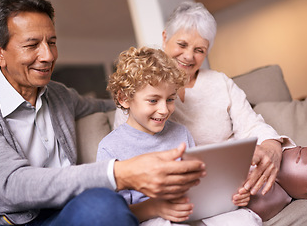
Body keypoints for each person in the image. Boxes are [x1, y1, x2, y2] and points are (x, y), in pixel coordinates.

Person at [0, 0, 204, 226]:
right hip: (2, 220)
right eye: (32, 44)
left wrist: (153, 101)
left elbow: (115, 104)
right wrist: (120, 172)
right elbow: (14, 184)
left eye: (52, 42)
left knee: (104, 207)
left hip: (64, 212)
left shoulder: (59, 95)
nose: (48, 55)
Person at [113, 1, 296, 223]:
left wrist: (271, 145)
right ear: (164, 38)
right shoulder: (136, 99)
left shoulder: (219, 83)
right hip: (179, 200)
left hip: (219, 186)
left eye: (199, 50)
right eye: (182, 44)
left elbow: (252, 125)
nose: (189, 56)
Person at [98, 46, 256, 225]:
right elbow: (114, 213)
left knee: (244, 219)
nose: (164, 110)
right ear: (124, 98)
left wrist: (230, 195)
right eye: (153, 100)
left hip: (191, 209)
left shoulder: (181, 132)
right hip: (152, 219)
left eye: (170, 99)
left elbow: (201, 184)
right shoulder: (110, 147)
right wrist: (156, 207)